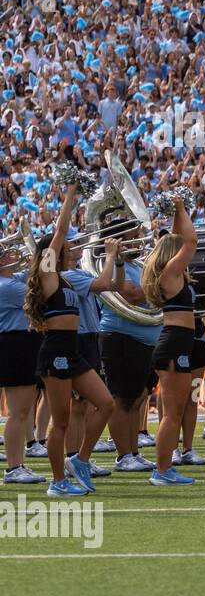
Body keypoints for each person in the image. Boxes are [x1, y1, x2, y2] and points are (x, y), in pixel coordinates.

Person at [26, 179, 121, 496]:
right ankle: (57, 482)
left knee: (106, 403)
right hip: (55, 351)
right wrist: (69, 195)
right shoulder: (48, 276)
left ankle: (80, 460)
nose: (67, 249)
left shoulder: (65, 281)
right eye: (59, 248)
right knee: (62, 422)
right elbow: (61, 231)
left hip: (73, 350)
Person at [141, 192, 200, 486]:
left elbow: (181, 238)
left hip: (178, 342)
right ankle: (161, 471)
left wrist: (179, 212)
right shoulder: (169, 272)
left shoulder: (172, 272)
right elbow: (190, 242)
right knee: (172, 413)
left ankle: (164, 468)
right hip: (174, 342)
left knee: (175, 411)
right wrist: (180, 206)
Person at [95, 214, 159, 474]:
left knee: (137, 399)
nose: (137, 241)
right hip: (121, 339)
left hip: (141, 342)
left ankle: (133, 451)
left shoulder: (141, 265)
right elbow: (130, 294)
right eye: (132, 237)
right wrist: (161, 282)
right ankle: (123, 455)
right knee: (122, 400)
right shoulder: (108, 265)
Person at [0, 220, 43, 484]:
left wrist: (30, 261)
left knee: (23, 410)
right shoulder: (7, 286)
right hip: (14, 344)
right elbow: (39, 292)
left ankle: (18, 465)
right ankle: (14, 468)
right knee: (19, 411)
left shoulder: (11, 280)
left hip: (19, 344)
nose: (11, 255)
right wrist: (36, 263)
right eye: (6, 254)